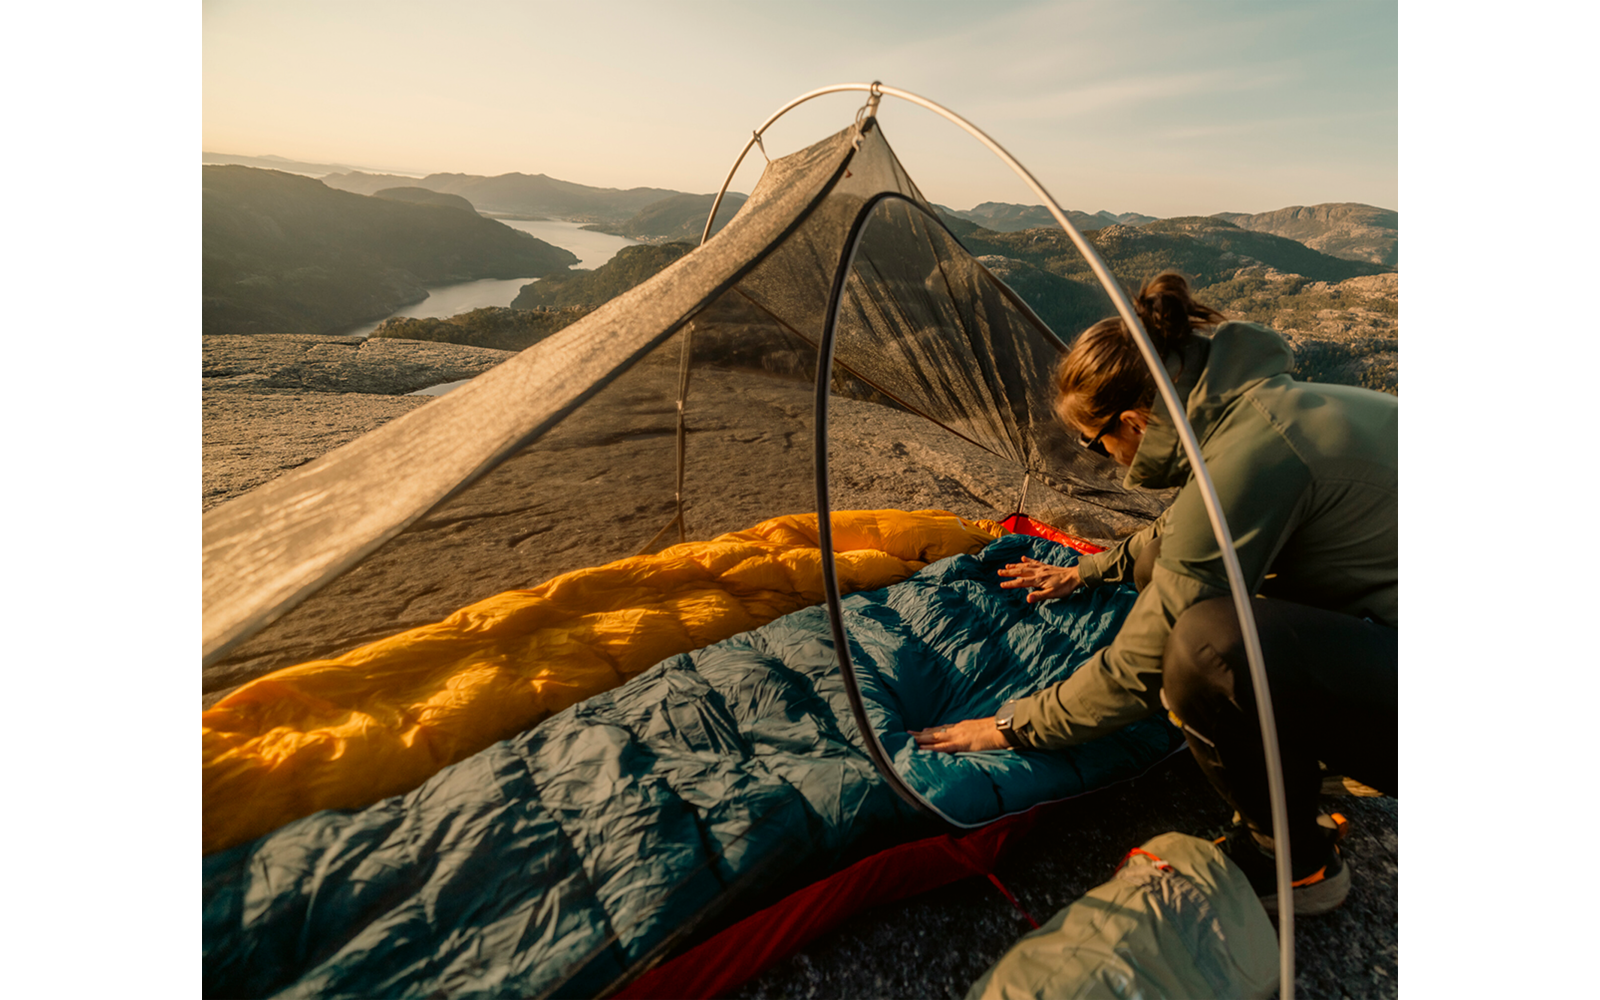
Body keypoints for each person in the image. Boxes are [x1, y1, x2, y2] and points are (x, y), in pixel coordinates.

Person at [910, 272, 1397, 916]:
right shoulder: (1270, 408)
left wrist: (1007, 726)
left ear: (1134, 421)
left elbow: (1146, 659)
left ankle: (1293, 864)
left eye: (1095, 441)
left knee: (1204, 649)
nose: (1104, 457)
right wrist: (1085, 572)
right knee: (1218, 596)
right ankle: (1326, 746)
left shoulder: (1256, 455)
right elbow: (1184, 531)